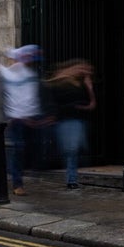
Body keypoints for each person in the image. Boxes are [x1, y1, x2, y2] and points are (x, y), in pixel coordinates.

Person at [42, 59, 96, 190]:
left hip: (78, 121)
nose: (85, 72)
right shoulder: (58, 83)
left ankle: (71, 177)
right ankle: (71, 179)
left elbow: (91, 105)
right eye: (83, 69)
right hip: (65, 122)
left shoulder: (80, 84)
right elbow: (54, 103)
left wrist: (89, 87)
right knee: (71, 151)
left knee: (75, 150)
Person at [0, 45, 43, 196]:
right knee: (19, 149)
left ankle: (21, 175)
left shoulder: (30, 74)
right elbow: (5, 96)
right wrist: (8, 117)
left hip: (29, 117)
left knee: (27, 148)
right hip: (16, 118)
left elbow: (31, 96)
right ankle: (17, 183)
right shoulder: (9, 74)